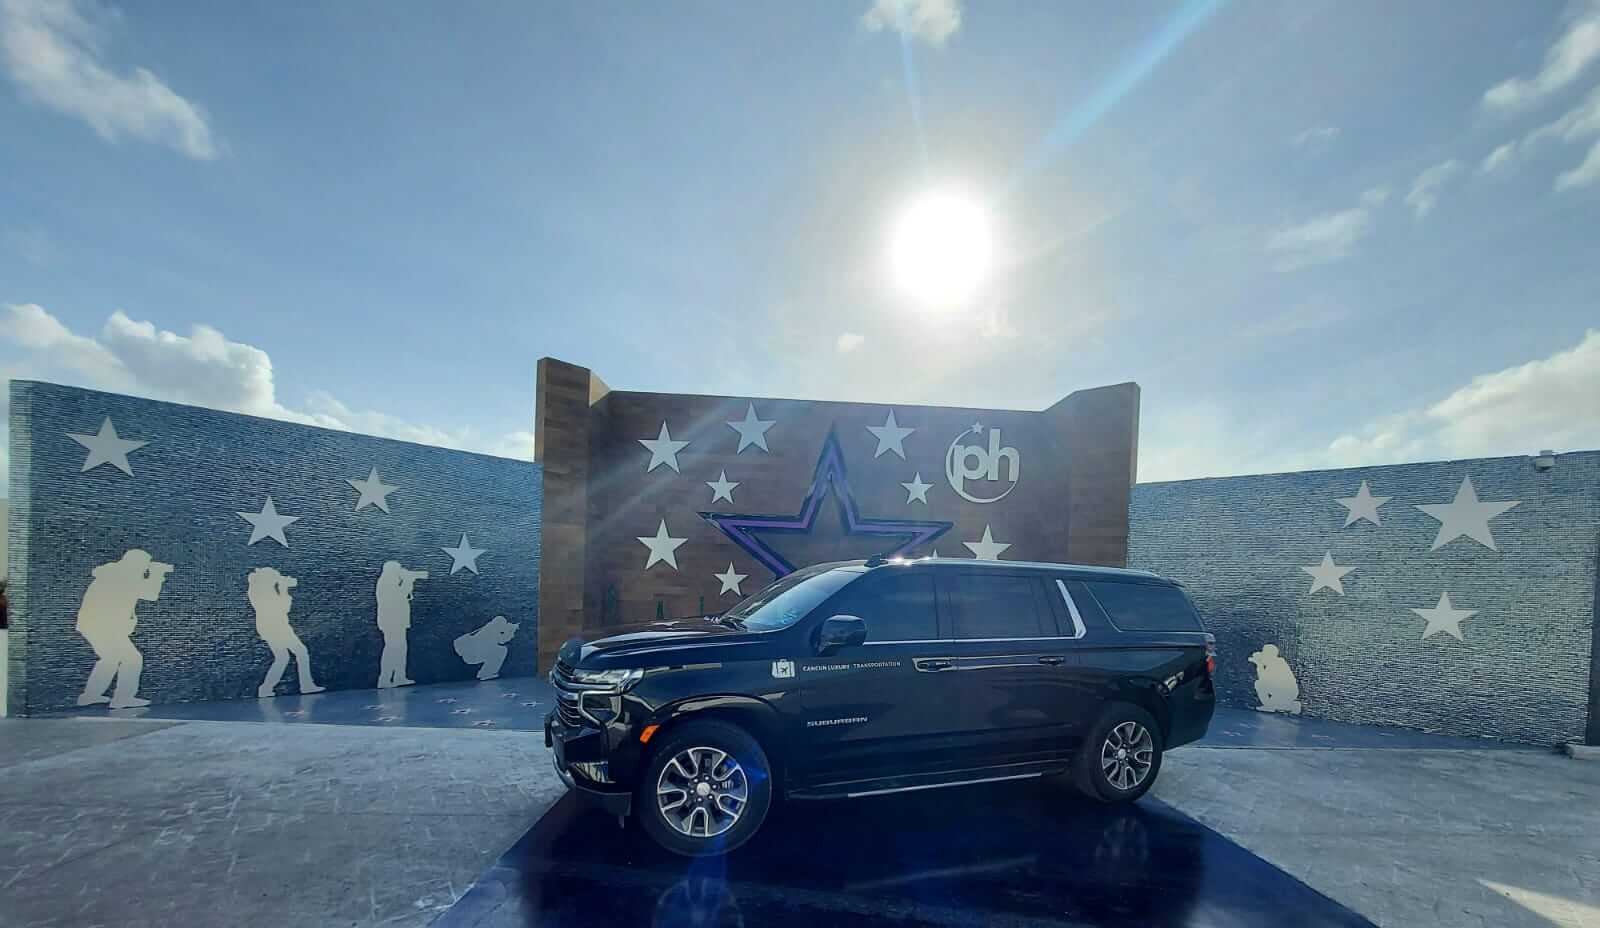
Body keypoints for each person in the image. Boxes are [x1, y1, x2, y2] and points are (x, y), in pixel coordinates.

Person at [76, 550, 173, 709]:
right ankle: (123, 698)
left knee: (110, 659)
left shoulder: (112, 573)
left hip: (92, 624)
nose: (144, 570)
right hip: (105, 626)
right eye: (144, 566)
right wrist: (157, 573)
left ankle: (90, 695)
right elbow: (151, 594)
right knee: (132, 659)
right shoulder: (124, 576)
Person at [248, 567, 324, 698]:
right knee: (300, 652)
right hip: (277, 627)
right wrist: (284, 589)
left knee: (283, 658)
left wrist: (282, 588)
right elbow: (283, 608)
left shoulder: (258, 589)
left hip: (271, 628)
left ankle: (266, 688)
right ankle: (306, 685)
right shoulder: (264, 591)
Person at [375, 561, 428, 688]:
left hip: (396, 621)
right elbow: (399, 596)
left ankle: (399, 677)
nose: (401, 572)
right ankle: (385, 679)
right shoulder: (386, 582)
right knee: (392, 648)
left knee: (400, 649)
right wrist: (408, 581)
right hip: (392, 622)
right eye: (398, 570)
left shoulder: (388, 581)